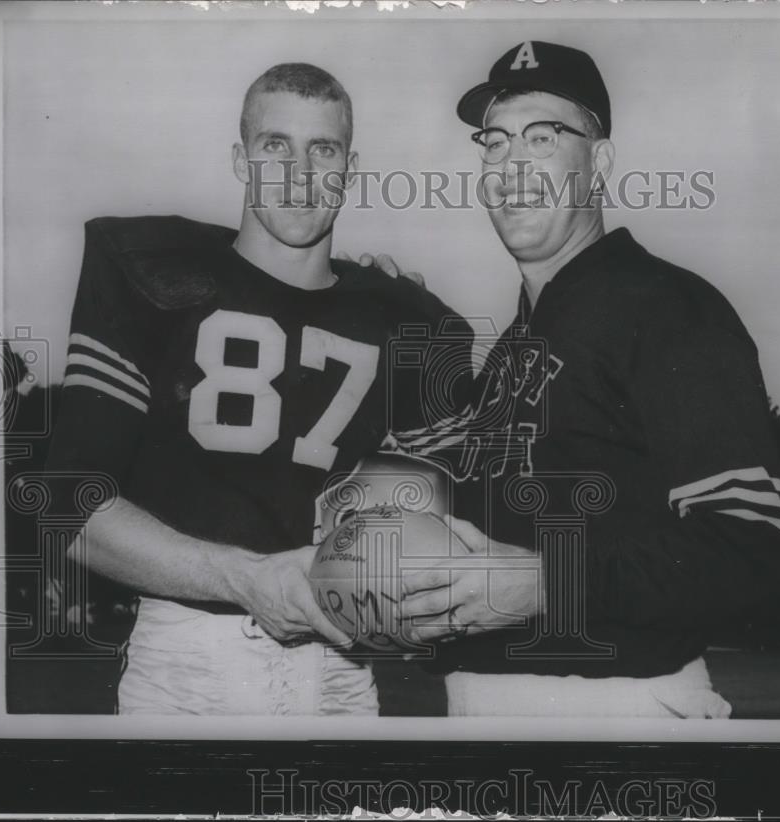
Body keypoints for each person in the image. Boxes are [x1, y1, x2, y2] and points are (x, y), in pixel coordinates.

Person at [44, 62, 469, 716]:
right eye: (277, 146)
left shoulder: (402, 320)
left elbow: (447, 516)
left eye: (321, 149)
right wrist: (244, 579)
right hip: (188, 666)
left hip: (346, 672)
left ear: (350, 168)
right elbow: (67, 512)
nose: (300, 175)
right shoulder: (151, 276)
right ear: (241, 160)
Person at [397, 41, 780, 717]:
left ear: (599, 162)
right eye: (493, 142)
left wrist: (550, 585)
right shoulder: (516, 348)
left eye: (543, 137)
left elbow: (753, 545)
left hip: (618, 711)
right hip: (480, 709)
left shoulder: (666, 306)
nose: (511, 163)